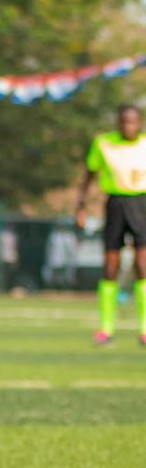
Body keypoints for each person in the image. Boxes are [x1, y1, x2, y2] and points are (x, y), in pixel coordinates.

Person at [75, 104, 146, 346]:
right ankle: (106, 329)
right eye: (124, 121)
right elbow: (89, 175)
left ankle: (145, 329)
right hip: (115, 205)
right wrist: (81, 206)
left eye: (133, 122)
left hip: (142, 204)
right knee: (110, 265)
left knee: (143, 265)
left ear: (140, 123)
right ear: (118, 122)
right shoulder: (104, 143)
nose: (128, 126)